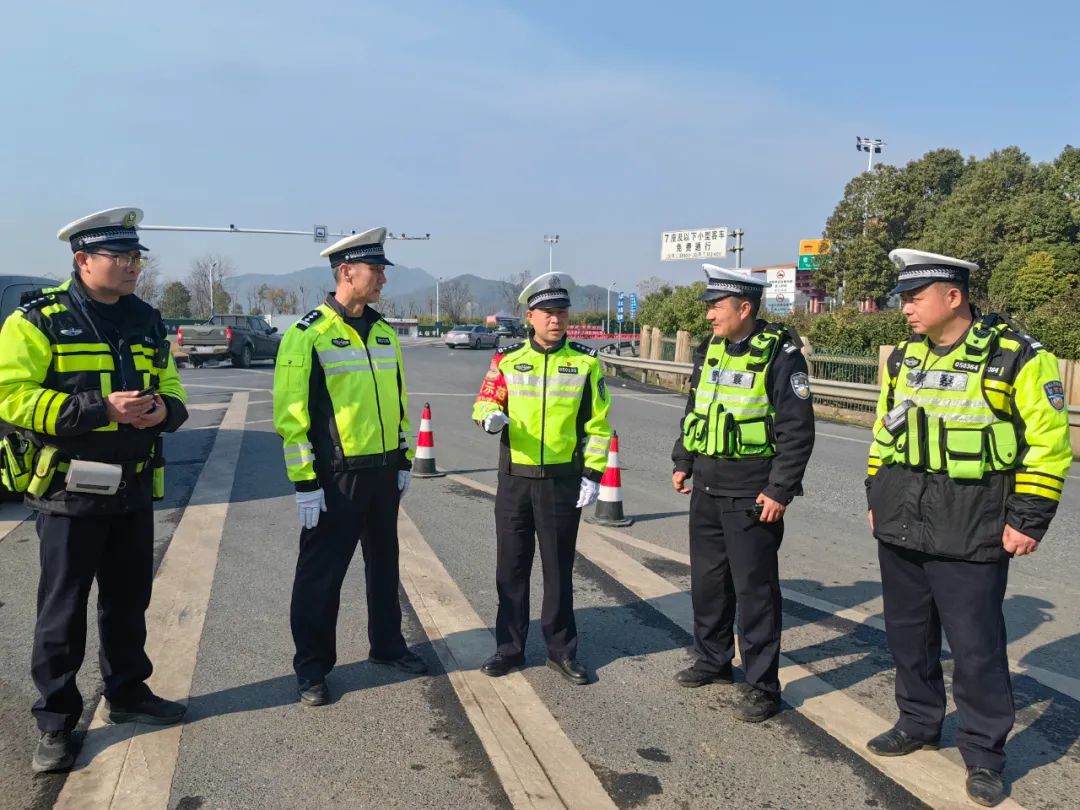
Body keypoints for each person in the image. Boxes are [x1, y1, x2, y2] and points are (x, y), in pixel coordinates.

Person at [865, 249, 1072, 807]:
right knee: (907, 634)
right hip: (901, 519)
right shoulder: (903, 358)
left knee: (976, 647)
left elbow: (1048, 445)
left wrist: (1028, 518)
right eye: (903, 299)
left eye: (914, 298)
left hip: (972, 522)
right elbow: (885, 432)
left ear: (953, 297)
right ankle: (917, 721)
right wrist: (875, 495)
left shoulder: (1017, 356)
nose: (905, 308)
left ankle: (983, 753)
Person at [0, 207, 189, 773]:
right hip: (68, 490)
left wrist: (163, 410)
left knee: (129, 602)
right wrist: (100, 409)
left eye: (136, 257)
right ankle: (55, 721)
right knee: (62, 610)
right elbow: (12, 397)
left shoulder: (146, 319)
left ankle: (128, 692)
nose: (132, 266)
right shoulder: (37, 319)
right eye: (120, 256)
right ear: (83, 260)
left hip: (132, 486)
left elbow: (172, 383)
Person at [273, 226, 427, 708]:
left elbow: (398, 401)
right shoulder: (308, 335)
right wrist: (305, 482)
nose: (382, 278)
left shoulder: (383, 333)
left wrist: (403, 458)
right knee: (321, 576)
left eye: (381, 269)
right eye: (375, 269)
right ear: (346, 272)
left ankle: (388, 645)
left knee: (385, 566)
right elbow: (291, 416)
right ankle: (312, 668)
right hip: (336, 478)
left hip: (382, 472)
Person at [670, 265, 815, 723]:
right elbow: (696, 407)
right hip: (707, 486)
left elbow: (797, 430)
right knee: (708, 582)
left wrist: (779, 489)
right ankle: (713, 659)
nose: (709, 315)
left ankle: (762, 685)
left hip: (751, 492)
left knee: (755, 591)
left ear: (744, 307)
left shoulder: (781, 355)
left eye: (716, 306)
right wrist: (683, 459)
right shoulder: (710, 349)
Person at [471, 272, 612, 684]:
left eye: (562, 312)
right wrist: (489, 418)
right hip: (515, 478)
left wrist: (593, 473)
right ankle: (509, 648)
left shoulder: (585, 363)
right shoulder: (507, 359)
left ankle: (561, 651)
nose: (556, 319)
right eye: (547, 313)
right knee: (511, 568)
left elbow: (598, 425)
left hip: (561, 481)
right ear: (530, 316)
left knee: (558, 569)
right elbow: (485, 401)